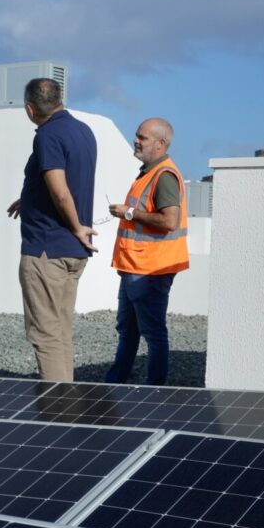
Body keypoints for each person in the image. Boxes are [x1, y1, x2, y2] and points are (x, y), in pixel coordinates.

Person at [7, 77, 98, 382]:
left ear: (30, 108)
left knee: (46, 335)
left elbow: (60, 192)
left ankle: (58, 414)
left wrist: (77, 227)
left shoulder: (47, 135)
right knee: (61, 331)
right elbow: (63, 182)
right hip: (72, 253)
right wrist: (30, 198)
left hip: (48, 251)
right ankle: (65, 405)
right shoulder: (83, 131)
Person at [105, 118, 189, 385]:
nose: (136, 141)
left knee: (152, 332)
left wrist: (128, 212)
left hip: (150, 269)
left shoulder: (163, 176)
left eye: (142, 137)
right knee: (128, 329)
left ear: (161, 143)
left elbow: (168, 221)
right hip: (135, 266)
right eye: (137, 136)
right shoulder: (149, 173)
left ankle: (154, 390)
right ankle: (116, 381)